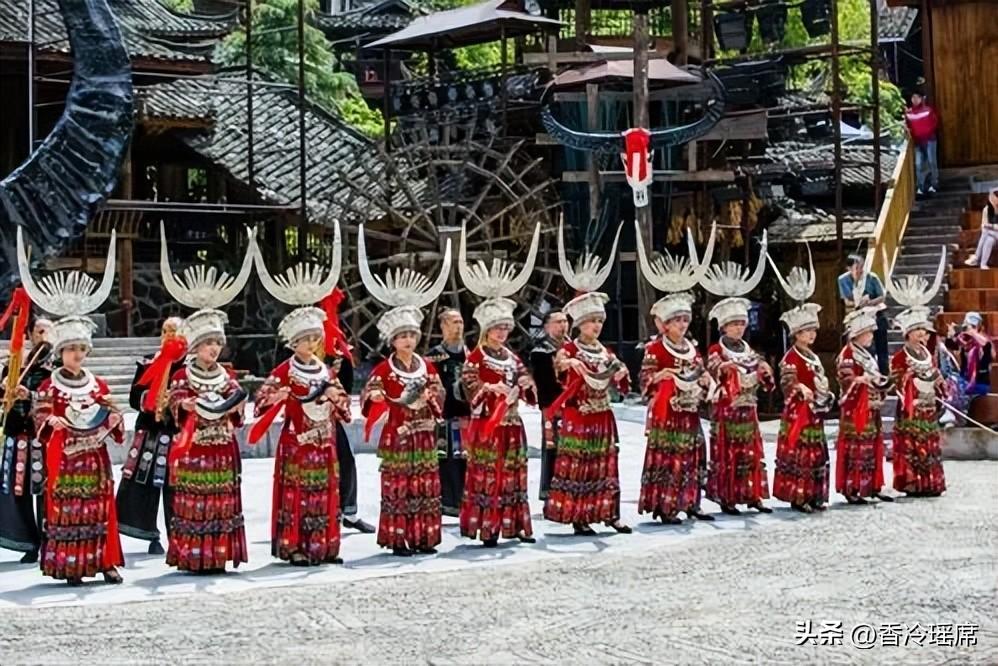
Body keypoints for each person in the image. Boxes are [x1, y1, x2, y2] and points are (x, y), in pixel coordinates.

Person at [17, 229, 125, 585]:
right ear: (60, 352)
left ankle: (105, 561)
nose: (77, 355)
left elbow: (113, 417)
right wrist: (52, 422)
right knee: (69, 509)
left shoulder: (98, 383)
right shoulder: (50, 384)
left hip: (94, 458)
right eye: (71, 349)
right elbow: (41, 416)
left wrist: (113, 413)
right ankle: (72, 564)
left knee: (99, 507)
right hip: (65, 457)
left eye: (82, 349)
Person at [159, 226, 254, 572]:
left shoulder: (225, 376)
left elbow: (236, 405)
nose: (213, 349)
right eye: (207, 343)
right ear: (195, 346)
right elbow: (174, 400)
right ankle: (194, 555)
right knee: (197, 499)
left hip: (222, 448)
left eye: (217, 343)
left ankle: (219, 553)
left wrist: (238, 407)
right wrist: (181, 405)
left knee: (222, 500)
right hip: (196, 448)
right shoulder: (184, 374)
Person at [357, 224, 449, 556]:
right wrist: (378, 397)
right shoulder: (385, 368)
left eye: (412, 334)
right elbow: (370, 395)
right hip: (398, 435)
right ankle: (399, 538)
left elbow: (440, 394)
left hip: (423, 436)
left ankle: (424, 536)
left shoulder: (428, 365)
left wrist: (432, 398)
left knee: (424, 486)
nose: (408, 340)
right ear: (393, 341)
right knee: (400, 487)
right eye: (402, 336)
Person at [544, 221, 631, 536]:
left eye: (599, 321)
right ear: (579, 324)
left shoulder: (605, 351)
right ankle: (580, 515)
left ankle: (609, 512)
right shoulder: (569, 347)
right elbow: (559, 367)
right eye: (592, 322)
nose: (596, 326)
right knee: (581, 464)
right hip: (579, 417)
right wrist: (569, 365)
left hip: (603, 416)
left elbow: (620, 379)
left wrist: (621, 372)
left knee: (607, 463)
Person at [255, 314, 351, 566]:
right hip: (297, 442)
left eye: (314, 338)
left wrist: (334, 396)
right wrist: (277, 397)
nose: (311, 343)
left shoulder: (326, 370)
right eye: (305, 339)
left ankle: (325, 544)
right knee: (297, 494)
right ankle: (295, 546)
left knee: (326, 491)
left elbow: (345, 406)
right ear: (294, 343)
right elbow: (260, 401)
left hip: (323, 441)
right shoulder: (285, 370)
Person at [700, 241, 774, 516]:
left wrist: (764, 370)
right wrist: (729, 370)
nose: (738, 329)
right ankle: (728, 496)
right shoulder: (717, 349)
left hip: (748, 408)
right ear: (723, 327)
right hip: (728, 410)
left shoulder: (748, 349)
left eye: (741, 324)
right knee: (729, 452)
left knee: (751, 451)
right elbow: (715, 370)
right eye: (733, 325)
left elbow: (759, 368)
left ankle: (753, 494)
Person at [458, 303, 536, 546]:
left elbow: (525, 379)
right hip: (488, 425)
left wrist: (526, 383)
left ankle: (516, 525)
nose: (501, 333)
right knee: (489, 475)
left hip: (512, 423)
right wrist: (488, 388)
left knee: (514, 474)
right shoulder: (476, 358)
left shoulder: (512, 358)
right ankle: (488, 528)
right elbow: (469, 388)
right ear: (487, 330)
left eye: (505, 328)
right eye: (497, 328)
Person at [637, 294, 715, 524]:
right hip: (668, 413)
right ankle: (666, 505)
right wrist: (659, 377)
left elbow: (700, 370)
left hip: (689, 411)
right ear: (666, 324)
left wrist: (706, 379)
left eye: (685, 320)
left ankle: (692, 501)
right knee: (670, 459)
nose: (682, 325)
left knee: (693, 455)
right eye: (677, 320)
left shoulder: (691, 347)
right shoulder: (656, 348)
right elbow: (644, 377)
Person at [114, 317, 185, 556]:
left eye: (174, 331)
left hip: (178, 433)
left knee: (176, 486)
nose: (168, 335)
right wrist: (150, 400)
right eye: (165, 331)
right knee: (144, 483)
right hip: (151, 433)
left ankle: (179, 535)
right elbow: (134, 397)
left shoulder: (189, 367)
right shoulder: (147, 363)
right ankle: (150, 533)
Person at [0, 315, 52, 562]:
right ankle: (28, 542)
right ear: (31, 335)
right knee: (17, 491)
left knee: (45, 491)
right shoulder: (15, 365)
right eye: (39, 332)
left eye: (47, 332)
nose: (43, 337)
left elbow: (55, 399)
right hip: (17, 434)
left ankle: (48, 539)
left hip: (43, 438)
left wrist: (30, 395)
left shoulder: (56, 368)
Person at [772, 303, 832, 513]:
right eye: (807, 331)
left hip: (814, 412)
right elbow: (787, 382)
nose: (812, 334)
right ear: (796, 333)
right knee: (801, 454)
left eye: (814, 330)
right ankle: (799, 495)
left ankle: (815, 494)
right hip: (799, 413)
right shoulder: (791, 357)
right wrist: (800, 387)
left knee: (815, 453)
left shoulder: (813, 356)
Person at [836, 306, 895, 504]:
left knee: (872, 446)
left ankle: (872, 485)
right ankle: (853, 487)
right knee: (857, 448)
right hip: (856, 409)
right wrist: (861, 379)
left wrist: (884, 383)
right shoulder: (848, 354)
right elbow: (846, 378)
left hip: (871, 407)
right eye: (868, 332)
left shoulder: (865, 354)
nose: (871, 336)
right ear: (858, 334)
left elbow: (875, 378)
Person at [890, 306, 947, 497]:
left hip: (928, 405)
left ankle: (930, 482)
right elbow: (897, 382)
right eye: (917, 329)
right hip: (912, 407)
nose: (922, 333)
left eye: (922, 329)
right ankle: (913, 483)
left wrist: (939, 382)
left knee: (929, 444)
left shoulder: (926, 353)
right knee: (913, 445)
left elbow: (933, 371)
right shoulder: (900, 356)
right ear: (908, 333)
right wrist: (910, 379)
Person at [425, 309, 470, 518]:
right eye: (453, 322)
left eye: (460, 322)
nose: (459, 326)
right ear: (443, 325)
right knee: (447, 459)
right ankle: (449, 503)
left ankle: (467, 501)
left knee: (468, 459)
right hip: (446, 414)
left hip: (468, 415)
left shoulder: (470, 353)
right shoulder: (435, 355)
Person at [529, 310, 568, 501]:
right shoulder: (541, 351)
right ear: (546, 327)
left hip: (575, 406)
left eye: (565, 321)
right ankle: (550, 493)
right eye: (558, 322)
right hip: (553, 406)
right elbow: (545, 383)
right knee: (553, 449)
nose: (563, 325)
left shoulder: (573, 348)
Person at [837, 255, 889, 374]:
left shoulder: (871, 277)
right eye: (856, 267)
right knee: (864, 349)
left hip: (875, 313)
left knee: (882, 350)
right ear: (848, 268)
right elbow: (847, 299)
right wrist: (856, 283)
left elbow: (882, 296)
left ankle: (884, 377)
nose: (860, 269)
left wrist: (869, 302)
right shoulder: (843, 280)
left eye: (861, 266)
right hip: (858, 317)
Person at [947, 312, 993, 396]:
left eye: (974, 326)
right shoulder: (962, 340)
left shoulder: (985, 341)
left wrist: (973, 333)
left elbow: (986, 345)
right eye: (967, 326)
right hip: (964, 380)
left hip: (980, 382)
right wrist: (950, 334)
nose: (970, 329)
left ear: (978, 328)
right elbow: (950, 345)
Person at [904, 91, 939, 196]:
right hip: (918, 142)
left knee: (931, 162)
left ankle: (934, 184)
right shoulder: (909, 113)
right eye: (913, 97)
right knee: (919, 164)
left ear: (921, 98)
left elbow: (935, 122)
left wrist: (928, 132)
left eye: (917, 97)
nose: (915, 100)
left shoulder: (928, 110)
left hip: (929, 140)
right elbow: (907, 125)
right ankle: (921, 187)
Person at [964, 188, 998, 270]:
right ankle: (983, 264)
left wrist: (992, 227)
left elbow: (988, 226)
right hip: (992, 235)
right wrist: (990, 227)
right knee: (989, 240)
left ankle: (976, 256)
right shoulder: (986, 210)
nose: (993, 199)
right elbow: (984, 225)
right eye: (992, 197)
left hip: (994, 232)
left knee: (987, 232)